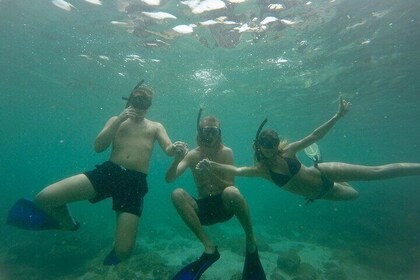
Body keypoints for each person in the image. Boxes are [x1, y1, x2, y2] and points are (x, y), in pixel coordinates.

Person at [7, 83, 188, 265]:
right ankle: (68, 224)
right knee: (44, 198)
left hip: (135, 183)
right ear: (129, 100)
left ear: (149, 106)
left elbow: (168, 149)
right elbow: (98, 147)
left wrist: (177, 149)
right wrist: (119, 120)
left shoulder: (155, 126)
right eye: (137, 100)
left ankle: (116, 246)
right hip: (109, 172)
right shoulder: (115, 120)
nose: (140, 106)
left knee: (124, 252)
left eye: (145, 102)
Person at [197, 96, 420, 204]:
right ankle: (334, 177)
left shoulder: (289, 151)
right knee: (354, 195)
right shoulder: (262, 170)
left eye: (273, 145)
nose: (271, 150)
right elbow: (237, 171)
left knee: (376, 173)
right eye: (266, 146)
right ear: (259, 147)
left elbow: (315, 135)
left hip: (324, 172)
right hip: (322, 193)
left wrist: (337, 115)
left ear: (277, 144)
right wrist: (211, 164)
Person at [166, 110, 266, 280]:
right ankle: (209, 247)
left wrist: (211, 171)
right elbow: (169, 179)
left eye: (214, 131)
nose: (210, 135)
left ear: (220, 133)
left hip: (225, 207)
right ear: (200, 132)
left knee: (232, 191)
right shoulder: (193, 155)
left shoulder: (226, 152)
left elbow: (230, 186)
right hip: (203, 209)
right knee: (176, 193)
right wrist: (176, 159)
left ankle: (250, 241)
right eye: (207, 131)